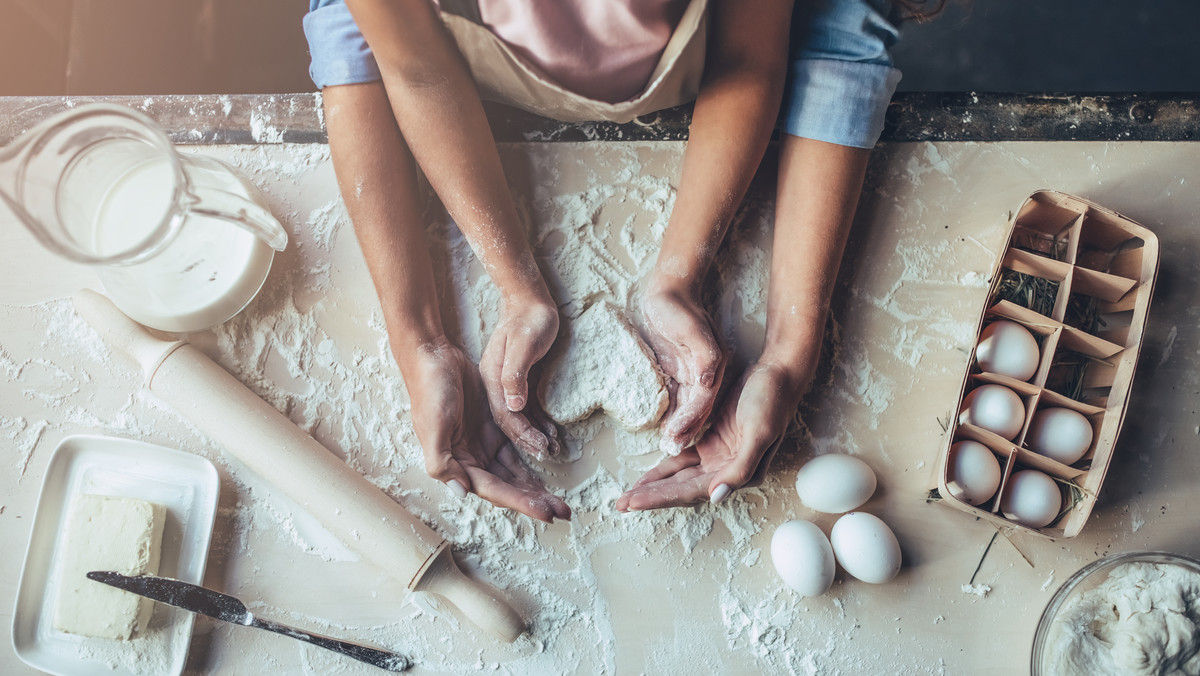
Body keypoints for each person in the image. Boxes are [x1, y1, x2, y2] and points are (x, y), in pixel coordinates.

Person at [302, 0, 915, 522]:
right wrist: (423, 338)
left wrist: (785, 351)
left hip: (728, 71)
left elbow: (761, 50)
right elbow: (410, 63)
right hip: (458, 94)